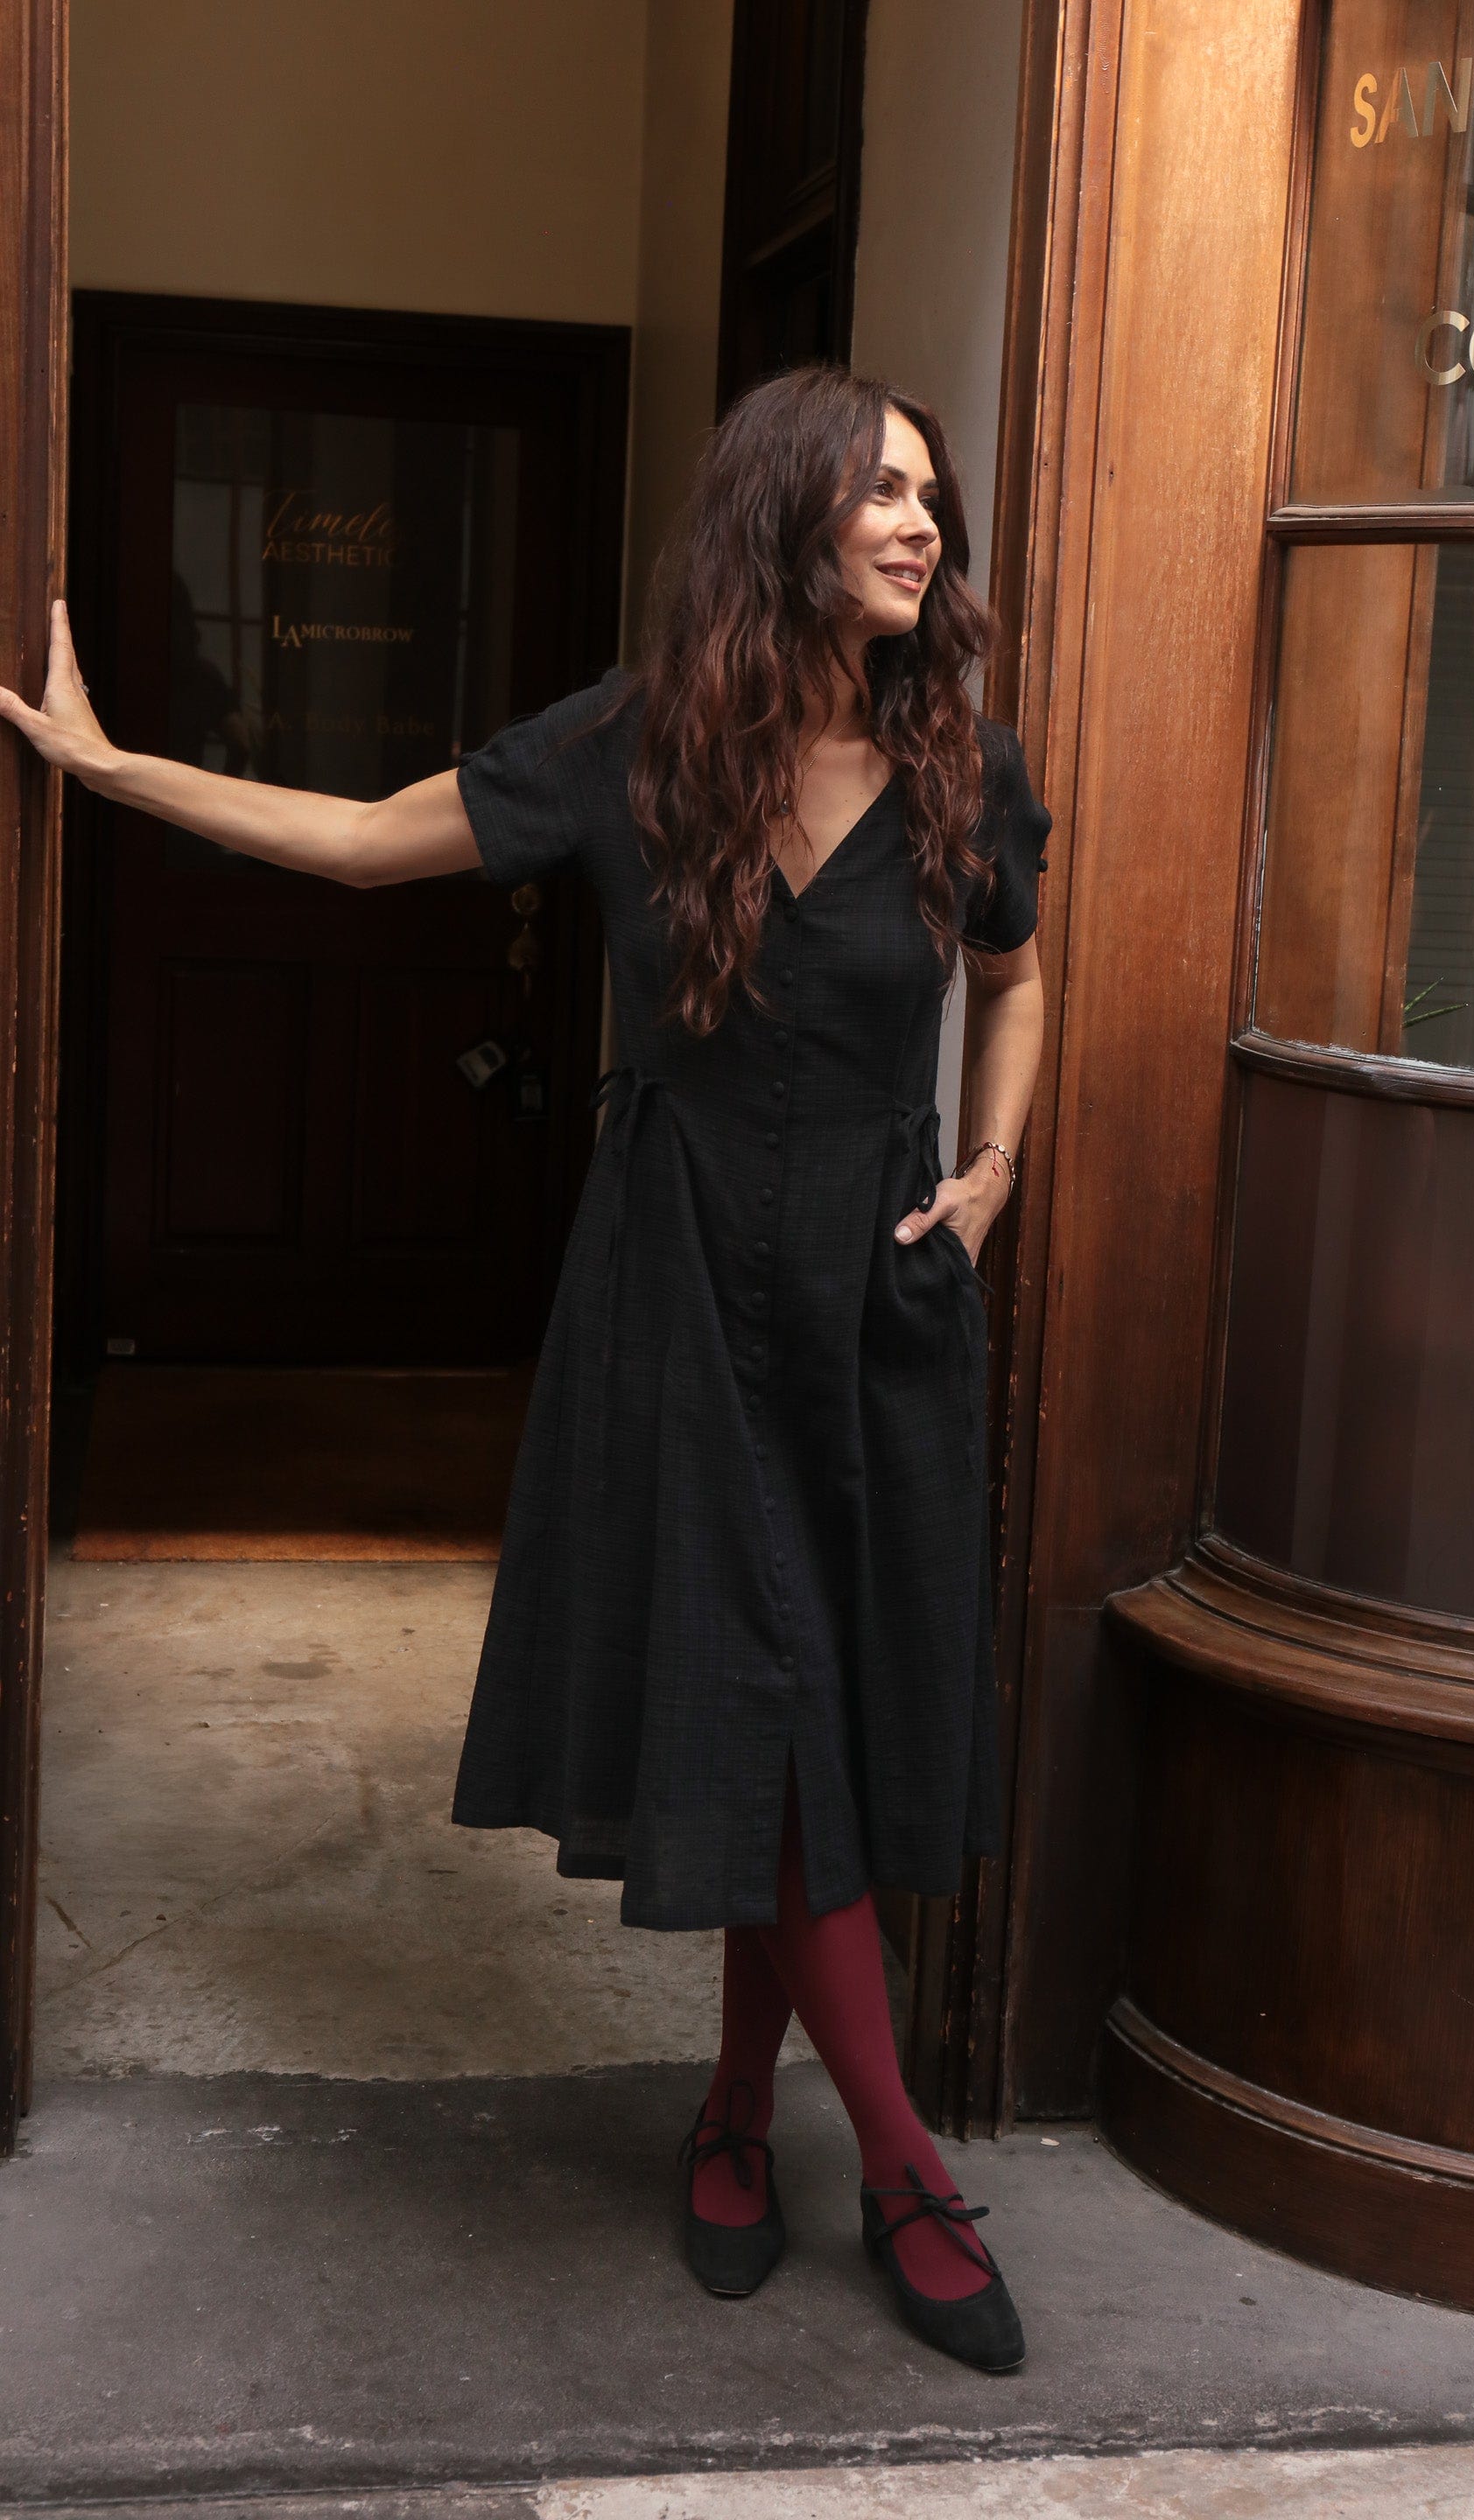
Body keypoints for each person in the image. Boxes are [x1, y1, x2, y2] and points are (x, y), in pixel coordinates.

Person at [0, 366, 1049, 2374]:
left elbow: (1016, 978)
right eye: (880, 490)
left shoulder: (961, 769)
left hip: (878, 1301)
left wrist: (991, 1178)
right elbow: (361, 840)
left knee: (807, 1725)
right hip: (680, 1291)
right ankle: (904, 2166)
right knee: (772, 1710)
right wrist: (115, 770)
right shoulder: (635, 746)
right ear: (782, 519)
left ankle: (732, 2111)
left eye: (933, 494)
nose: (924, 523)